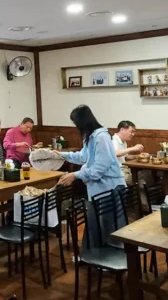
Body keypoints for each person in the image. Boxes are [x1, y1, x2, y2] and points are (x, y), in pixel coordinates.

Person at [53, 105, 127, 249]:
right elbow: (83, 156)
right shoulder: (91, 136)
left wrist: (75, 175)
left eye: (76, 123)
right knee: (94, 226)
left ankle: (112, 261)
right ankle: (92, 257)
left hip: (110, 188)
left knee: (109, 229)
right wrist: (60, 155)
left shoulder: (101, 137)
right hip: (98, 189)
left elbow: (99, 169)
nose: (75, 127)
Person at [112, 120, 144, 185]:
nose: (133, 134)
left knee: (146, 174)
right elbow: (115, 153)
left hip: (125, 170)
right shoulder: (113, 140)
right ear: (122, 130)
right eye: (131, 132)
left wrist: (138, 156)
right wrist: (133, 148)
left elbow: (125, 156)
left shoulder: (123, 141)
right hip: (117, 172)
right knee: (143, 179)